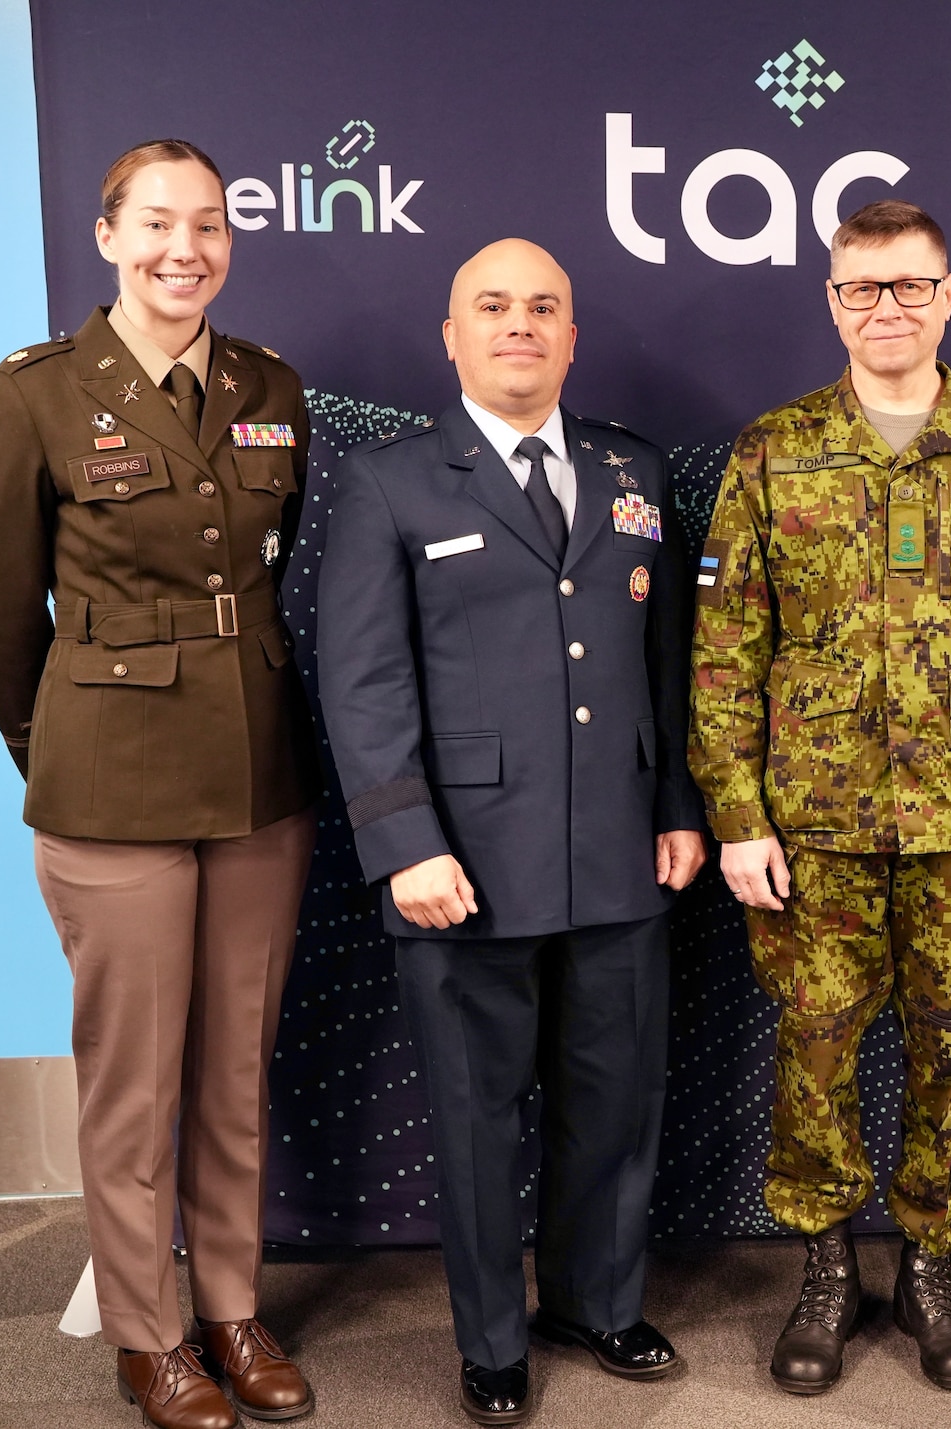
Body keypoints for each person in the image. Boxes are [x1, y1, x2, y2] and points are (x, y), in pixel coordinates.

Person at [690, 199, 951, 1394]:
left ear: (948, 294)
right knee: (811, 1053)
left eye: (907, 286)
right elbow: (726, 649)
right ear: (830, 301)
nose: (885, 308)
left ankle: (928, 1262)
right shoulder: (773, 449)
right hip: (809, 830)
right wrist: (736, 815)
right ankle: (826, 1269)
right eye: (860, 288)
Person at [312, 239, 704, 1425]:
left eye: (544, 307)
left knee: (616, 1100)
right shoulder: (393, 481)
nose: (519, 324)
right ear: (452, 334)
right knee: (478, 1123)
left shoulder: (630, 467)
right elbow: (362, 683)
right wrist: (402, 844)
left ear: (572, 335)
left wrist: (681, 806)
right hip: (461, 867)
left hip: (619, 853)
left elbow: (666, 659)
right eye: (494, 306)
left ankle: (595, 1297)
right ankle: (490, 1339)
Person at [0, 140, 318, 1429]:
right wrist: (49, 747)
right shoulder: (42, 392)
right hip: (109, 788)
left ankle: (230, 1306)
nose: (187, 248)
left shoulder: (272, 383)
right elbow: (0, 613)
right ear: (108, 235)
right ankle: (148, 1334)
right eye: (159, 223)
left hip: (259, 780)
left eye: (210, 224)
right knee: (134, 1079)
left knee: (234, 1070)